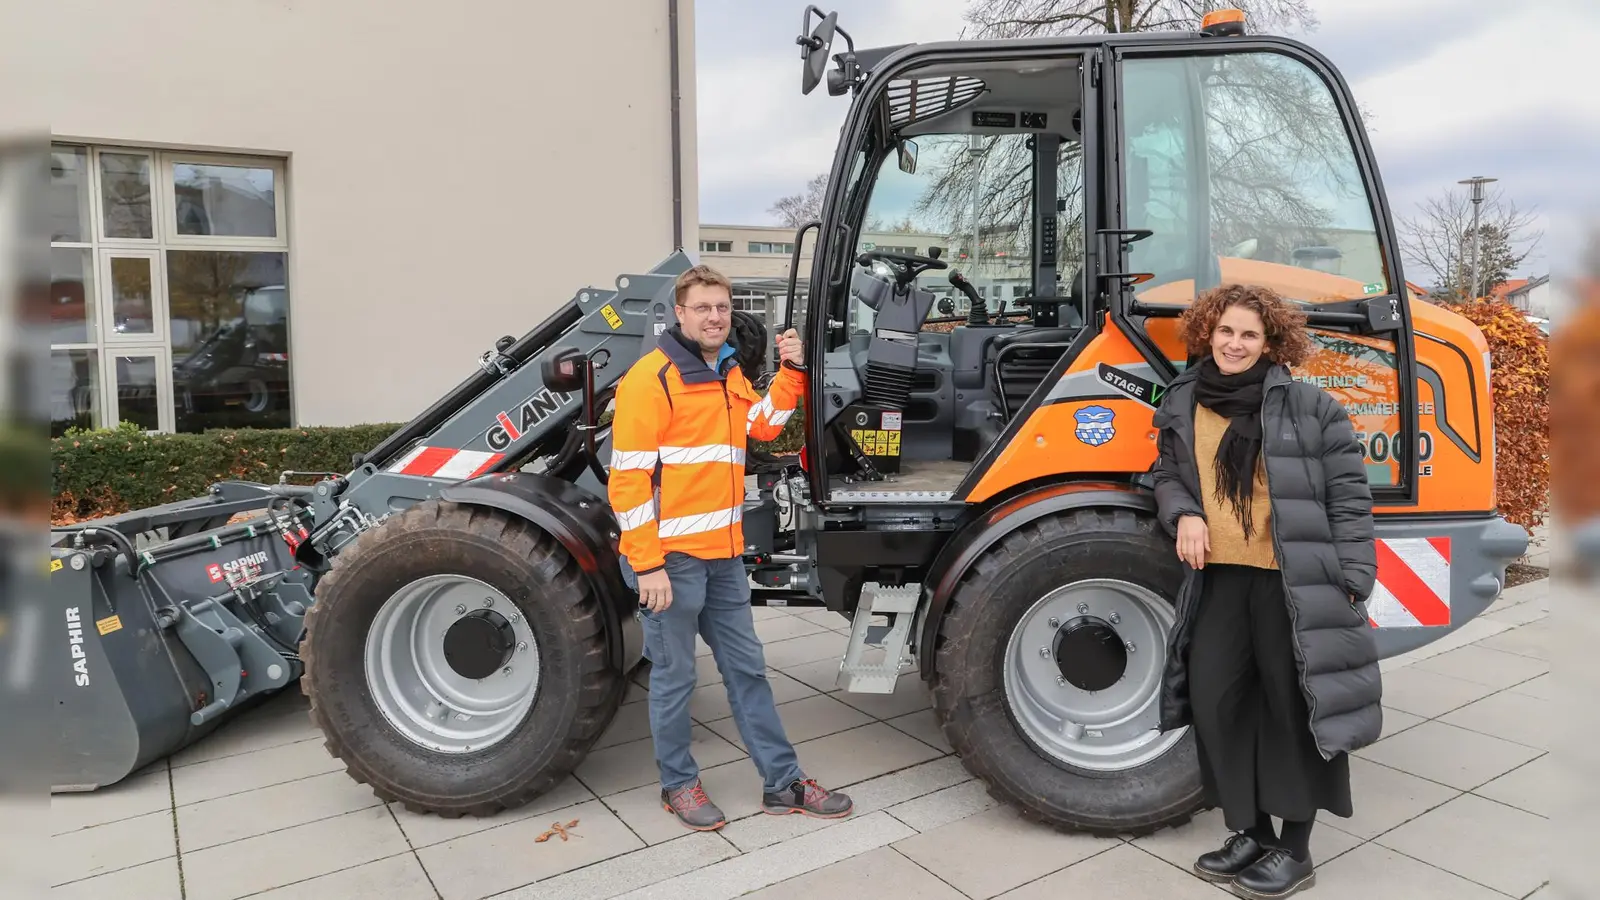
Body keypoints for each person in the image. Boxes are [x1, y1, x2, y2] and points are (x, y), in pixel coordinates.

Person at [1151, 283, 1381, 900]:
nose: (1234, 343)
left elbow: (1349, 502)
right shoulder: (1182, 400)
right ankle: (1248, 831)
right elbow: (1168, 474)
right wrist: (1184, 515)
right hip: (1220, 577)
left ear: (1271, 342)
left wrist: (1354, 580)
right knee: (1217, 702)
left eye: (1249, 334)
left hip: (1294, 583)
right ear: (1208, 332)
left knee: (1293, 711)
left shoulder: (1312, 407)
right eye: (1225, 331)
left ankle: (1295, 849)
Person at [608, 264, 853, 831]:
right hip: (670, 561)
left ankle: (782, 782)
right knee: (675, 678)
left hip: (722, 556)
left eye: (721, 307)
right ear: (680, 314)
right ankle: (679, 786)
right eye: (703, 308)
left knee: (747, 670)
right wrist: (647, 565)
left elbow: (764, 426)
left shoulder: (727, 372)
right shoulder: (653, 379)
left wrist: (792, 370)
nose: (715, 316)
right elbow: (628, 481)